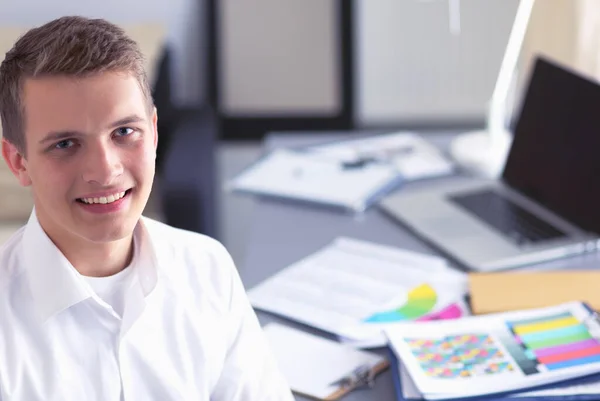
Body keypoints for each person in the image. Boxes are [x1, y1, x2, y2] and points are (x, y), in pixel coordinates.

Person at [0, 16, 293, 400]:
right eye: (66, 144)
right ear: (18, 161)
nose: (105, 170)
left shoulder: (208, 269)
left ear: (153, 133)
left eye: (124, 132)